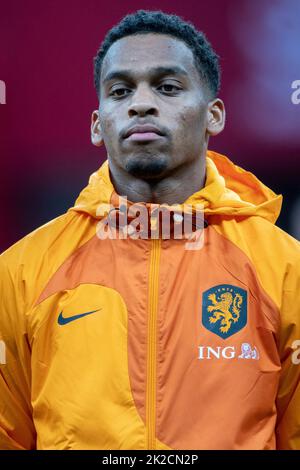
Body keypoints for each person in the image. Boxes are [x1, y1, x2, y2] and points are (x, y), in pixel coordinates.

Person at [0, 9, 299, 451]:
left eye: (168, 87)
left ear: (214, 115)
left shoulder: (285, 268)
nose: (141, 103)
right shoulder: (20, 272)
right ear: (97, 125)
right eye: (120, 91)